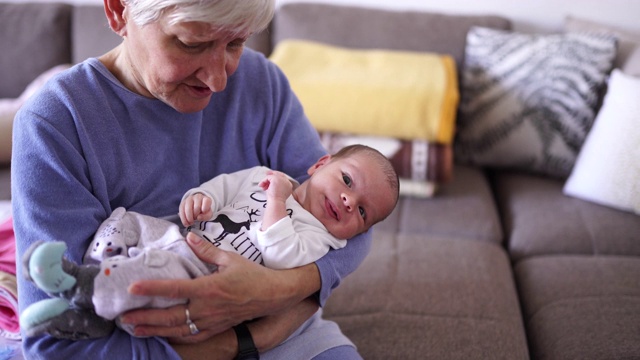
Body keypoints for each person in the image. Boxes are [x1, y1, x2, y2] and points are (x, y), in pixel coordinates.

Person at [10, 0, 386, 358]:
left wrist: (277, 291)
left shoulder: (261, 83)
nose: (219, 80)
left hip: (289, 335)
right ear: (118, 10)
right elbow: (55, 344)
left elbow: (356, 217)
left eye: (236, 42)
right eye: (192, 43)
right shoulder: (56, 123)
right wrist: (245, 340)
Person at [20, 145, 399, 341]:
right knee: (128, 220)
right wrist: (199, 199)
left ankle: (79, 285)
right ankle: (98, 279)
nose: (350, 202)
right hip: (184, 239)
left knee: (159, 271)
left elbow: (280, 256)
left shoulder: (319, 240)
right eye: (347, 182)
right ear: (320, 164)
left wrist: (277, 200)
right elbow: (224, 186)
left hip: (207, 276)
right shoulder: (265, 175)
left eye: (363, 213)